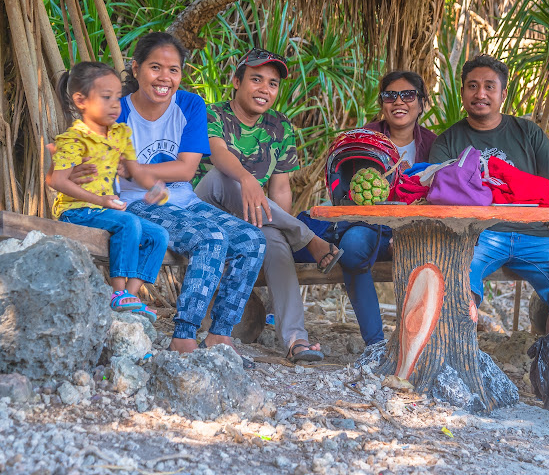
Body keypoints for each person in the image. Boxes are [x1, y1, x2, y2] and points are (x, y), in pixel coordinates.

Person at [60, 33, 267, 357]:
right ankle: (183, 336)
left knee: (252, 241)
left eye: (173, 70)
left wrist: (135, 168)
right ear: (136, 67)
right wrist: (83, 170)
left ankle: (219, 335)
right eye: (155, 67)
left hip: (183, 198)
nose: (164, 78)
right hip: (134, 203)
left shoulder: (189, 105)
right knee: (211, 238)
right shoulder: (118, 109)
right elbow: (92, 158)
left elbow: (186, 171)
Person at [429, 55, 549, 365]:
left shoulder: (527, 133)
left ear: (503, 94)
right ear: (462, 91)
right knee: (458, 275)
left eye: (490, 87)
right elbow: (440, 199)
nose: (481, 94)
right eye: (473, 86)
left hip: (536, 234)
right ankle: (459, 358)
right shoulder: (448, 141)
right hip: (478, 236)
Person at [193, 48, 343, 362]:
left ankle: (295, 340)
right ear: (236, 81)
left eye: (272, 84)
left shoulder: (280, 127)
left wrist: (272, 222)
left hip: (253, 216)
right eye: (256, 79)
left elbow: (280, 188)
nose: (264, 89)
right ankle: (307, 237)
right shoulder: (212, 113)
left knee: (275, 243)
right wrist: (247, 179)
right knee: (226, 177)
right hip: (206, 211)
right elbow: (219, 155)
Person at [50, 62, 169, 323]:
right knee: (128, 223)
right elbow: (57, 181)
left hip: (104, 209)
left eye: (117, 97)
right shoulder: (73, 139)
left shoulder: (120, 133)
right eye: (106, 98)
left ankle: (131, 295)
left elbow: (134, 170)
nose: (115, 105)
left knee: (159, 234)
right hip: (76, 211)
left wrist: (153, 186)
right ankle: (117, 293)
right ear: (81, 100)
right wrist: (100, 200)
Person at [336, 71, 437, 349]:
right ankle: (376, 345)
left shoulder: (433, 144)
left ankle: (420, 345)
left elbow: (440, 196)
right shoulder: (360, 139)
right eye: (390, 95)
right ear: (382, 102)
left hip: (417, 229)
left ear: (421, 102)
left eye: (408, 95)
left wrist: (406, 232)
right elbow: (346, 191)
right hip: (370, 227)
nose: (399, 102)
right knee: (352, 247)